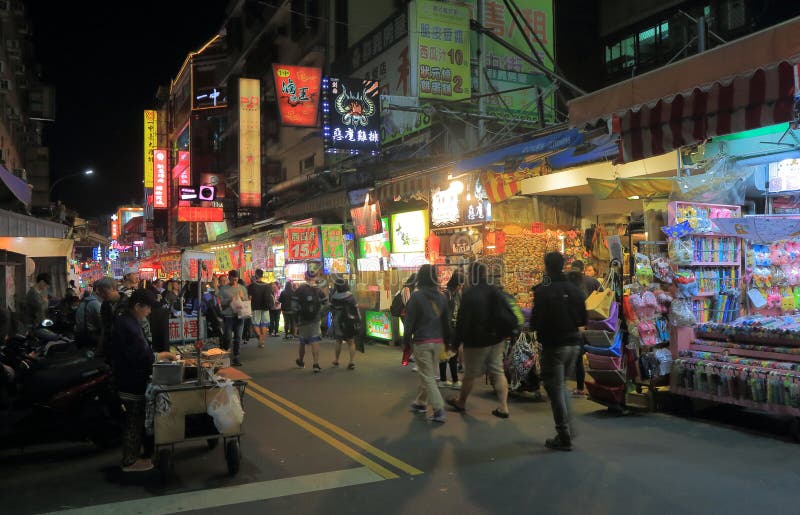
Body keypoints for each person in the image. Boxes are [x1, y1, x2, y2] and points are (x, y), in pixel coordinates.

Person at [112, 288, 177, 472]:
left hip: (129, 377)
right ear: (138, 305)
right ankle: (130, 462)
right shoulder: (128, 325)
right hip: (130, 380)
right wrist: (163, 355)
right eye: (147, 308)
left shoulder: (128, 319)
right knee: (134, 422)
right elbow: (142, 356)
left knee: (135, 421)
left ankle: (134, 457)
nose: (149, 312)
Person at [532, 252, 588, 451]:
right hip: (574, 344)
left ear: (546, 266)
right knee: (561, 386)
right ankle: (568, 428)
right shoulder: (573, 289)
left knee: (555, 389)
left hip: (554, 345)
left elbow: (535, 321)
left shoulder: (543, 290)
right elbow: (583, 318)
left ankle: (564, 434)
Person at [447, 262, 510, 419]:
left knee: (470, 374)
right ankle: (503, 407)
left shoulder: (470, 294)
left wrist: (455, 343)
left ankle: (461, 402)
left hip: (476, 340)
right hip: (496, 339)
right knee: (497, 371)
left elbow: (462, 321)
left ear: (471, 275)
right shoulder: (494, 290)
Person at [404, 264, 449, 423]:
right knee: (427, 374)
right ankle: (421, 403)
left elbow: (409, 322)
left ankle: (438, 409)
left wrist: (406, 342)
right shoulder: (442, 296)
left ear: (420, 278)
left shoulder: (416, 297)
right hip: (438, 342)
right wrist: (449, 342)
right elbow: (447, 322)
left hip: (422, 341)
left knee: (428, 376)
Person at [294, 270, 328, 372]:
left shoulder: (300, 289)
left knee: (302, 342)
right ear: (315, 277)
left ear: (305, 277)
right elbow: (326, 304)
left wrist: (296, 322)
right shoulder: (319, 290)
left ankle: (300, 360)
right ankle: (315, 364)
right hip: (315, 320)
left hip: (303, 320)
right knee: (315, 340)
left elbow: (294, 307)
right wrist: (321, 315)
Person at [329, 276, 361, 370]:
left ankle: (336, 360)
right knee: (351, 342)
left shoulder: (334, 297)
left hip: (338, 322)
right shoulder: (350, 296)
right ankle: (351, 362)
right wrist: (358, 319)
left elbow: (332, 309)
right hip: (349, 322)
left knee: (338, 341)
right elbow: (356, 309)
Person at [218, 270, 248, 367]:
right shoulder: (224, 289)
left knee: (238, 338)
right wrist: (229, 301)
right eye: (232, 279)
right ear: (229, 278)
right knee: (228, 337)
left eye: (236, 279)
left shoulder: (242, 288)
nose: (235, 281)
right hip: (228, 316)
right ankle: (226, 354)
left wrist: (243, 298)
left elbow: (246, 301)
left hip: (239, 316)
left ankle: (236, 357)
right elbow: (222, 304)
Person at [440, 270, 462, 388]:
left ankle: (446, 379)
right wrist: (448, 331)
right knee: (451, 354)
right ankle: (453, 380)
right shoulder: (446, 294)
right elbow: (444, 314)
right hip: (447, 330)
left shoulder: (454, 294)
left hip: (451, 329)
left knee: (449, 354)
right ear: (457, 285)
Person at [247, 269, 273, 348]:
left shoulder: (251, 286)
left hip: (255, 307)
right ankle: (262, 341)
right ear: (262, 275)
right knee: (264, 324)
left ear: (256, 275)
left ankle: (260, 338)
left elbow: (249, 297)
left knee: (255, 324)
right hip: (265, 307)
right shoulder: (267, 285)